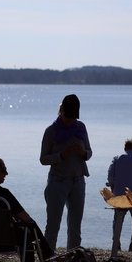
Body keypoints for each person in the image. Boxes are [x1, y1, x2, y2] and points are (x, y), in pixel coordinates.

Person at [40, 94, 92, 250]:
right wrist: (61, 155)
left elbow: (89, 152)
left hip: (78, 181)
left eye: (73, 117)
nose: (70, 121)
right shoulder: (51, 131)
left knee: (75, 228)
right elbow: (43, 159)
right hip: (58, 182)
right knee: (53, 226)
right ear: (61, 111)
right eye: (67, 116)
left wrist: (83, 152)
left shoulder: (81, 128)